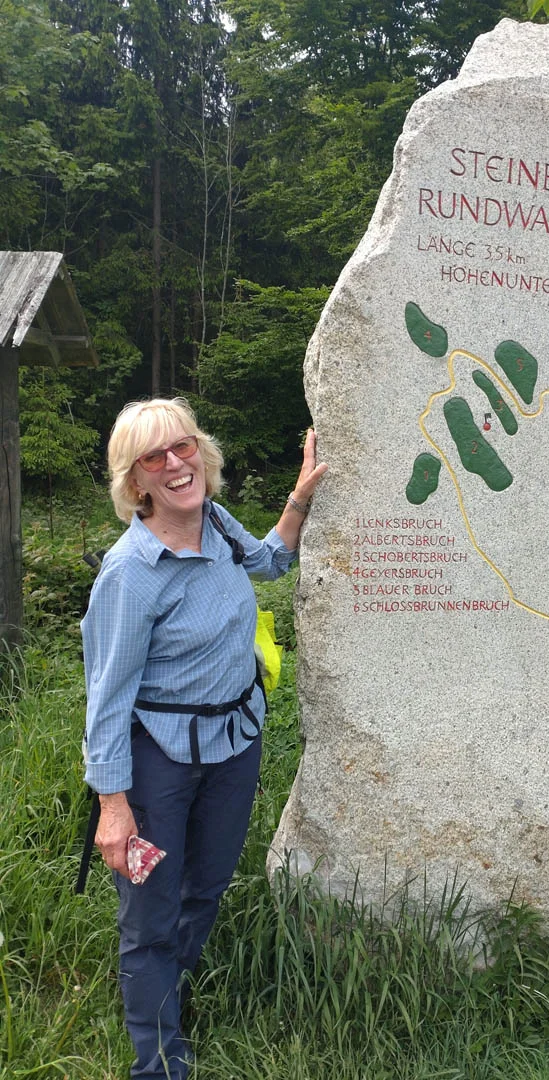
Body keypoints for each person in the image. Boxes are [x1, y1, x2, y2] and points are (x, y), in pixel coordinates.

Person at [80, 397, 327, 1079]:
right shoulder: (130, 574)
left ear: (202, 452)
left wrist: (301, 497)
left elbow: (268, 562)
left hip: (234, 747)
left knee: (207, 886)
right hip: (157, 764)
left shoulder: (215, 523)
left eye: (182, 446)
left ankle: (169, 996)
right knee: (150, 910)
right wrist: (112, 806)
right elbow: (107, 700)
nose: (174, 463)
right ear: (135, 481)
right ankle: (158, 1060)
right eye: (153, 457)